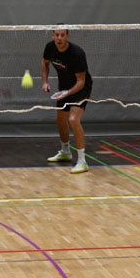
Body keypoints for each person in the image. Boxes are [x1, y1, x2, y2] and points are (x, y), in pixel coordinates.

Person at [41, 26, 93, 174]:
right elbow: (45, 62)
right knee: (60, 120)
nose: (59, 38)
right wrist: (45, 82)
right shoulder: (50, 48)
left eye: (62, 35)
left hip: (81, 88)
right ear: (53, 35)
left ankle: (82, 161)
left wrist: (66, 94)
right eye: (57, 35)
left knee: (73, 119)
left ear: (67, 36)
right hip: (64, 87)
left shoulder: (77, 53)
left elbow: (81, 82)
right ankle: (65, 152)